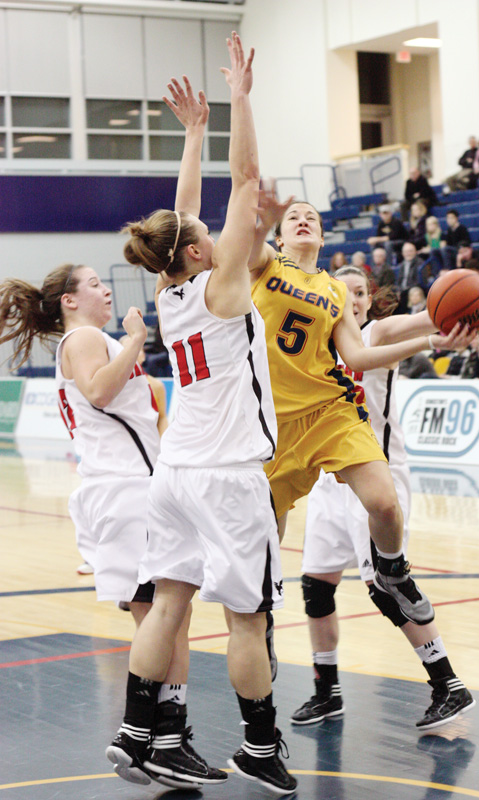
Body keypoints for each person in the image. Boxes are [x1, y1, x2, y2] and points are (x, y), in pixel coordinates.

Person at [106, 34, 297, 796]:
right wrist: (241, 101)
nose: (218, 235)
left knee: (170, 601)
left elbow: (185, 214)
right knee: (247, 620)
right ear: (191, 255)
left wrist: (192, 134)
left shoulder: (171, 293)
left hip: (173, 475)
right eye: (205, 239)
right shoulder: (220, 290)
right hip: (223, 477)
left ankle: (133, 730)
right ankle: (259, 747)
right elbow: (245, 177)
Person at [0, 266, 201, 791]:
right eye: (94, 283)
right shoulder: (88, 337)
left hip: (126, 490)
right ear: (70, 299)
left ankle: (163, 739)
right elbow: (98, 392)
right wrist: (137, 340)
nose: (105, 288)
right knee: (167, 616)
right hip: (124, 491)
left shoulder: (94, 338)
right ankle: (158, 737)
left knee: (164, 619)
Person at [291, 266, 475, 730]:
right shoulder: (316, 344)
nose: (352, 299)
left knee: (384, 588)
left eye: (359, 293)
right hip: (332, 482)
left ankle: (448, 684)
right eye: (343, 291)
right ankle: (326, 692)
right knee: (316, 586)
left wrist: (462, 315)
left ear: (370, 301)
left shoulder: (378, 331)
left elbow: (432, 319)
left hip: (377, 478)